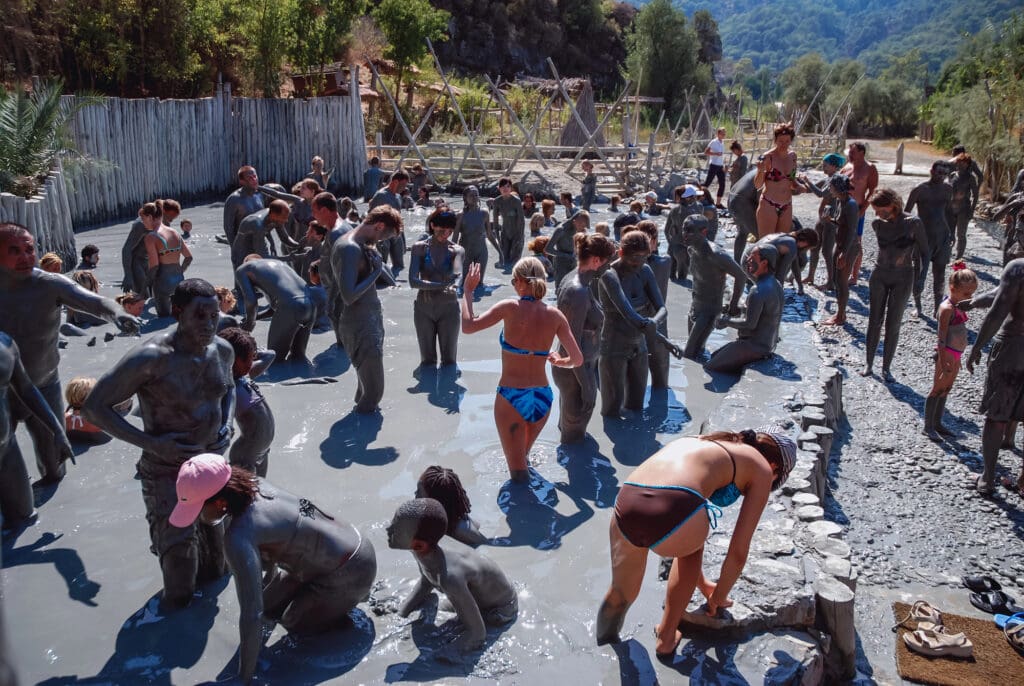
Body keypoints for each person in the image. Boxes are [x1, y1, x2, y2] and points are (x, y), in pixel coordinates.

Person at [83, 278, 234, 609]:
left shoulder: (222, 350)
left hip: (211, 467)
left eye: (214, 316)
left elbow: (230, 387)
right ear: (178, 312)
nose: (209, 325)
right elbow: (94, 407)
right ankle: (171, 624)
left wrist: (228, 422)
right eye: (200, 316)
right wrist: (152, 443)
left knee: (217, 565)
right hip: (167, 470)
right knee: (179, 567)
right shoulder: (150, 358)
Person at [171, 455, 376, 683]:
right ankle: (340, 602)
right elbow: (268, 584)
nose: (198, 517)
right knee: (270, 610)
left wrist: (243, 678)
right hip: (351, 543)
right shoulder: (253, 483)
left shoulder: (239, 537)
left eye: (199, 509)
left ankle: (340, 619)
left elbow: (251, 613)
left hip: (350, 571)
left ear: (220, 503)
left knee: (294, 623)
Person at [595, 427, 796, 656]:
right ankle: (666, 637)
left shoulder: (711, 440)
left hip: (626, 503)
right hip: (674, 505)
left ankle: (604, 646)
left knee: (621, 592)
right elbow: (738, 552)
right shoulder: (761, 468)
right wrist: (718, 597)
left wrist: (702, 583)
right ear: (775, 467)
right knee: (693, 545)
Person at [0, 223, 139, 486]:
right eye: (14, 251)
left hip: (44, 384)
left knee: (55, 463)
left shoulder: (50, 285)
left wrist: (118, 313)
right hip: (3, 391)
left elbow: (95, 302)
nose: (25, 257)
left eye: (29, 250)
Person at [460, 258, 583, 482]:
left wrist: (467, 291)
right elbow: (577, 359)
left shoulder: (509, 307)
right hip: (542, 397)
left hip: (511, 396)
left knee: (518, 477)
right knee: (524, 461)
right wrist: (558, 360)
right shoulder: (556, 315)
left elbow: (468, 327)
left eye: (513, 280)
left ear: (519, 282)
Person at [388, 498, 517, 653]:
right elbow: (427, 580)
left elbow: (477, 634)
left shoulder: (450, 577)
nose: (388, 528)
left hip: (500, 608)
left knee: (447, 633)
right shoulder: (423, 548)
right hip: (476, 591)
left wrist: (442, 654)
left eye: (397, 528)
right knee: (442, 616)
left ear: (419, 545)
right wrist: (402, 613)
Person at [961, 257, 1024, 496]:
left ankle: (987, 478)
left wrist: (977, 346)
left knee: (997, 414)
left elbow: (999, 311)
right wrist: (975, 301)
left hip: (1013, 349)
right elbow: (1001, 291)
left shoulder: (1018, 268)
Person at [332, 206, 402, 414]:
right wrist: (377, 272)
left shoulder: (355, 242)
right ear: (379, 226)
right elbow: (348, 295)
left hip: (368, 321)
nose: (381, 242)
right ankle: (357, 441)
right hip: (360, 324)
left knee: (364, 390)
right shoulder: (350, 247)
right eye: (384, 236)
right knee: (374, 394)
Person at [0, 330, 73, 529]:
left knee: (25, 516)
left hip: (6, 448)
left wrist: (57, 431)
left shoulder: (6, 346)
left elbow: (27, 389)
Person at [553, 234, 617, 443]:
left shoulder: (578, 281)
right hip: (576, 374)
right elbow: (571, 344)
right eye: (609, 261)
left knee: (569, 428)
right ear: (596, 261)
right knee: (573, 438)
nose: (611, 266)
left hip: (578, 370)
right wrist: (588, 387)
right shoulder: (578, 291)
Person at [860, 189, 929, 382]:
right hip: (880, 273)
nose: (877, 214)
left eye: (880, 209)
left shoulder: (913, 223)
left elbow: (925, 253)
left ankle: (886, 368)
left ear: (893, 205)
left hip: (903, 276)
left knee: (893, 323)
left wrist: (921, 278)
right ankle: (869, 363)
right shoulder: (877, 224)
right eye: (875, 210)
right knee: (874, 320)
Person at [598, 231, 667, 416]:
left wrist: (654, 321)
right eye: (634, 257)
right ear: (621, 253)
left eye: (644, 256)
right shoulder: (609, 275)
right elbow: (628, 313)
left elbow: (662, 308)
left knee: (636, 406)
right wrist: (650, 327)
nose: (639, 262)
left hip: (640, 346)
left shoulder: (645, 271)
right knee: (611, 410)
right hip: (614, 347)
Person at [681, 216, 751, 360]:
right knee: (697, 352)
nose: (685, 234)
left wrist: (732, 305)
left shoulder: (716, 254)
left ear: (704, 232)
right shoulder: (691, 249)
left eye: (690, 231)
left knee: (688, 355)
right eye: (684, 230)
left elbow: (741, 276)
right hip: (695, 305)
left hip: (710, 310)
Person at [707, 244, 784, 375]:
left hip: (755, 346)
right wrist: (737, 309)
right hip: (768, 344)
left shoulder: (758, 290)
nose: (748, 261)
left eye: (753, 259)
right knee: (714, 356)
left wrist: (725, 321)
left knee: (709, 368)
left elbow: (750, 324)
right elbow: (762, 314)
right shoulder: (776, 284)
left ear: (764, 263)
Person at [923, 264, 978, 440]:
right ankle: (928, 426)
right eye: (966, 294)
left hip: (955, 354)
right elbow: (941, 336)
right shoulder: (947, 308)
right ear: (953, 288)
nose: (969, 298)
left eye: (971, 294)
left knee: (947, 388)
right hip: (946, 353)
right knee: (937, 388)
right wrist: (943, 358)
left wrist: (958, 357)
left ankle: (938, 423)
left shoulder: (959, 306)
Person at [409, 208, 464, 367]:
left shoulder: (457, 250)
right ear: (432, 225)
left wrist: (455, 285)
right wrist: (441, 285)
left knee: (449, 361)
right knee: (427, 361)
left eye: (449, 231)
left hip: (449, 309)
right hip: (423, 309)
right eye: (442, 229)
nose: (445, 234)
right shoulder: (419, 248)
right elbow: (413, 281)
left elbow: (458, 275)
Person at [235, 255, 316, 363]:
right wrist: (256, 317)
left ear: (245, 262)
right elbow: (276, 309)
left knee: (273, 360)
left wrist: (250, 323)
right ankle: (308, 375)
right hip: (311, 304)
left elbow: (251, 301)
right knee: (299, 356)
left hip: (290, 306)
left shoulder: (244, 268)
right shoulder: (278, 265)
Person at [218, 327, 275, 476]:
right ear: (231, 359)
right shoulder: (224, 387)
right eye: (247, 359)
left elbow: (270, 354)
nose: (251, 362)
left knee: (263, 487)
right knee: (247, 494)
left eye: (253, 357)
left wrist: (253, 352)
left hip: (262, 449)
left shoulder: (246, 374)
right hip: (245, 454)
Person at [906, 161, 955, 317]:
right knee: (919, 272)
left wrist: (951, 232)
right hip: (923, 237)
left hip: (942, 236)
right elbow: (906, 213)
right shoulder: (920, 190)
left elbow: (947, 212)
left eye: (945, 174)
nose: (942, 177)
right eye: (939, 173)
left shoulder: (948, 189)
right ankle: (918, 306)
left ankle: (937, 308)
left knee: (940, 274)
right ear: (932, 171)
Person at [309, 192, 352, 346]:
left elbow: (340, 270)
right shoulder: (340, 226)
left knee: (341, 334)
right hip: (337, 289)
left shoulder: (335, 233)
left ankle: (342, 347)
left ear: (325, 211)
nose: (312, 215)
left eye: (314, 211)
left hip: (337, 292)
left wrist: (331, 300)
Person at [798, 152, 845, 289]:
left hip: (830, 220)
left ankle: (831, 281)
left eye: (826, 165)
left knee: (826, 251)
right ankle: (811, 276)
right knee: (814, 247)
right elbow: (810, 189)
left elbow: (820, 193)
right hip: (822, 218)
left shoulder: (835, 179)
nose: (823, 167)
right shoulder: (828, 178)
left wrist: (807, 180)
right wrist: (798, 182)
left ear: (834, 166)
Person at [820, 174, 861, 326]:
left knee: (842, 281)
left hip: (849, 247)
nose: (829, 189)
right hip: (842, 244)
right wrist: (829, 221)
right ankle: (840, 313)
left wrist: (844, 253)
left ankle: (840, 315)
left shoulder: (850, 205)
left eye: (830, 187)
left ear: (837, 188)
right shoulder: (840, 201)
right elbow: (841, 224)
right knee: (838, 280)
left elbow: (851, 230)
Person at [636, 220, 672, 388]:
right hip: (658, 323)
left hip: (635, 324)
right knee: (661, 382)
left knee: (634, 384)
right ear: (655, 240)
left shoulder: (625, 266)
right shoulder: (665, 262)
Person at [416, 466, 487, 546]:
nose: (415, 494)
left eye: (419, 491)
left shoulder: (464, 531)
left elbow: (487, 548)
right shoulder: (443, 518)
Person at [143, 203, 193, 317]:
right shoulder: (174, 232)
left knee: (163, 318)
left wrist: (142, 291)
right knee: (179, 317)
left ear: (150, 217)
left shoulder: (151, 237)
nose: (143, 222)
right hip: (179, 279)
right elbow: (189, 257)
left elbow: (154, 267)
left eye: (143, 218)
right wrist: (180, 271)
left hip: (162, 281)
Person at [841, 142, 879, 286]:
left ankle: (854, 275)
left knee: (856, 241)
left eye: (853, 152)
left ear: (862, 152)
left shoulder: (869, 168)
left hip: (857, 208)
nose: (850, 154)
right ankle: (842, 268)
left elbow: (873, 190)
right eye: (849, 152)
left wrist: (863, 209)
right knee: (842, 239)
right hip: (843, 208)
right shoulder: (847, 167)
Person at [754, 122, 801, 236]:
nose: (784, 144)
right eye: (781, 141)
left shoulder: (793, 156)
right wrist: (760, 171)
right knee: (767, 245)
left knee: (782, 243)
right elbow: (757, 185)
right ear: (775, 140)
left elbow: (792, 180)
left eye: (787, 141)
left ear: (791, 141)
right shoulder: (768, 157)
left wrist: (799, 186)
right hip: (769, 204)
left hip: (787, 205)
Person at [230, 200, 296, 272]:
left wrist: (299, 245)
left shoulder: (276, 217)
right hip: (241, 253)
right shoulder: (257, 224)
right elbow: (263, 256)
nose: (286, 220)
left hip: (256, 247)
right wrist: (288, 258)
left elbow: (285, 238)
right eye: (284, 217)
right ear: (274, 214)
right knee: (244, 279)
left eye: (287, 217)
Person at [453, 186, 492, 289]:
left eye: (476, 195)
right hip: (466, 253)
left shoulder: (484, 213)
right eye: (471, 195)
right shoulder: (461, 215)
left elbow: (489, 235)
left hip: (482, 252)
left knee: (479, 284)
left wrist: (500, 253)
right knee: (465, 284)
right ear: (465, 198)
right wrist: (451, 256)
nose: (474, 197)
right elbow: (455, 238)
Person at [369, 169, 409, 270]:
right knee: (382, 266)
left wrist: (403, 238)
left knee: (400, 265)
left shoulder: (398, 197)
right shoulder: (381, 195)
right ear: (395, 182)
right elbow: (371, 217)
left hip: (396, 232)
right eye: (403, 185)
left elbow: (399, 217)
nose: (405, 188)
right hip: (382, 234)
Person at [664, 185, 704, 280]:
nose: (696, 198)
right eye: (694, 196)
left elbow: (666, 230)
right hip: (686, 247)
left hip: (674, 245)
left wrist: (670, 242)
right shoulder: (699, 208)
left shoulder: (674, 210)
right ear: (688, 198)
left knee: (671, 276)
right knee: (683, 277)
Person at [546, 210, 589, 291]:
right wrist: (566, 255)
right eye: (582, 226)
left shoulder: (578, 229)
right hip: (561, 263)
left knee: (573, 288)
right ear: (575, 221)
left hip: (572, 262)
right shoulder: (561, 230)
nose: (583, 229)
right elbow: (548, 249)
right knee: (560, 289)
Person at [949, 153, 980, 261]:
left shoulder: (970, 178)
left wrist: (972, 210)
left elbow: (976, 195)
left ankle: (959, 257)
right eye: (958, 162)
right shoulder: (953, 175)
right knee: (949, 233)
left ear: (967, 164)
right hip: (951, 208)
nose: (959, 165)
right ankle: (947, 254)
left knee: (961, 234)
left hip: (964, 209)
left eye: (962, 163)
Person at [224, 166, 264, 246]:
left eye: (255, 176)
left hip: (259, 242)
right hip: (243, 244)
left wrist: (271, 243)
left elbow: (263, 222)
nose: (254, 180)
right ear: (242, 182)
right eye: (250, 178)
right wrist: (234, 249)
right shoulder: (234, 199)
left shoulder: (259, 195)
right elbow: (228, 228)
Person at [727, 169, 759, 263]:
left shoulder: (758, 169)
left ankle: (737, 263)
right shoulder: (769, 171)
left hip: (733, 198)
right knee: (762, 237)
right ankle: (753, 267)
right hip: (743, 202)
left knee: (742, 232)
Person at [493, 177, 526, 270]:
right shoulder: (496, 201)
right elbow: (495, 221)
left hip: (517, 232)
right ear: (499, 188)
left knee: (514, 262)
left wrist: (520, 236)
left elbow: (521, 220)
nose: (505, 189)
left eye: (508, 186)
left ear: (511, 188)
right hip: (505, 232)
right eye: (502, 187)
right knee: (504, 260)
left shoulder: (516, 201)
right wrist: (497, 237)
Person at [704, 127, 728, 208]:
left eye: (724, 134)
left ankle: (718, 203)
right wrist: (715, 154)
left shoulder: (722, 142)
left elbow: (722, 155)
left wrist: (724, 164)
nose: (724, 135)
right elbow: (706, 152)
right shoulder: (714, 142)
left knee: (722, 184)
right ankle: (698, 197)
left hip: (720, 166)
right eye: (722, 134)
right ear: (718, 134)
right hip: (714, 165)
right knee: (707, 183)